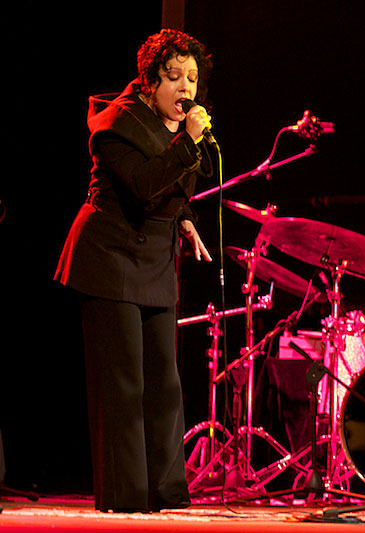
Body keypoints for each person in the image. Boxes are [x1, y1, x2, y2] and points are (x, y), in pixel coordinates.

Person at [54, 29, 215, 513]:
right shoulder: (115, 122)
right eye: (174, 77)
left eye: (192, 78)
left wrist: (185, 217)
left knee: (164, 382)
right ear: (149, 81)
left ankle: (166, 493)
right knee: (124, 383)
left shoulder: (175, 128)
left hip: (154, 260)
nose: (185, 88)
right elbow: (143, 184)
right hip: (110, 256)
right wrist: (188, 142)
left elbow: (173, 187)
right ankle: (125, 498)